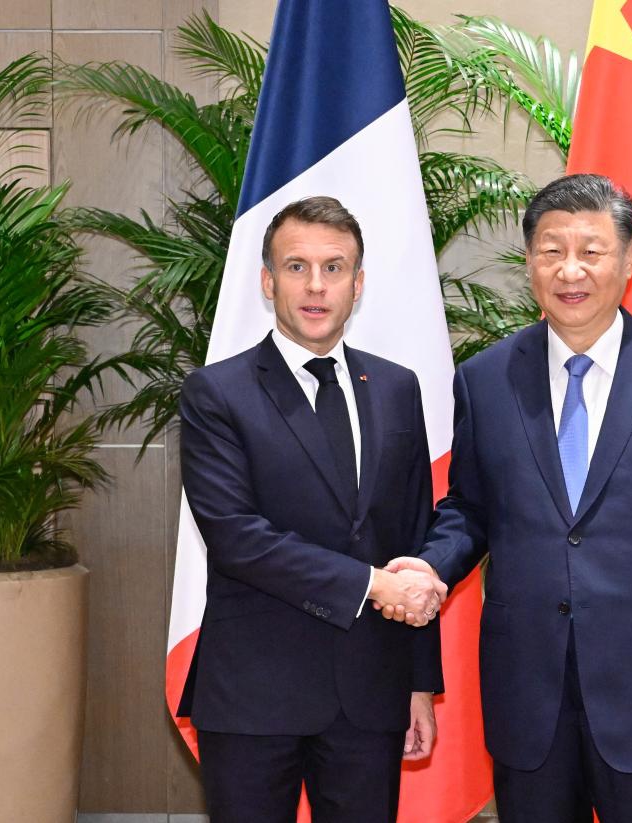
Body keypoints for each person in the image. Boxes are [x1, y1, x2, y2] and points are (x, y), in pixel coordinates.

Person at [382, 174, 632, 822]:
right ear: (529, 260)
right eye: (550, 249)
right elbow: (471, 508)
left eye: (590, 250)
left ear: (627, 259)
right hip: (528, 686)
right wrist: (431, 563)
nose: (570, 269)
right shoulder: (485, 378)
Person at [178, 195, 447, 823]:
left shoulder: (397, 388)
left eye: (334, 267)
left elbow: (414, 535)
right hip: (253, 695)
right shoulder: (217, 393)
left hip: (370, 696)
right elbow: (238, 538)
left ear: (358, 283)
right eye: (297, 267)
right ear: (269, 283)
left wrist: (418, 684)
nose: (316, 286)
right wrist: (372, 584)